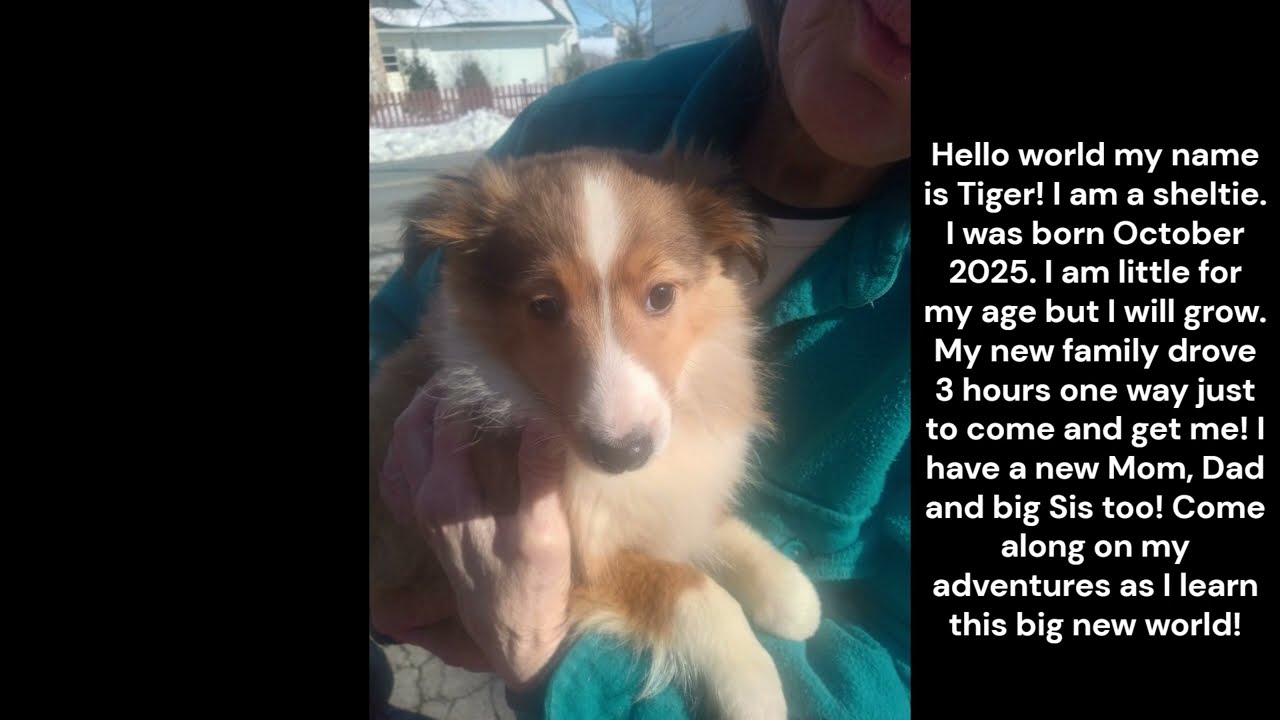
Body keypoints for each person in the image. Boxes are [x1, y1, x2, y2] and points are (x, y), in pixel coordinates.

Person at [369, 0, 912, 717]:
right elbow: (399, 325)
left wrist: (561, 654)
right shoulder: (570, 126)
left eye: (658, 296)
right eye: (546, 307)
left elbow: (895, 668)